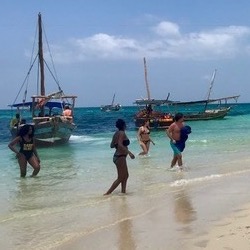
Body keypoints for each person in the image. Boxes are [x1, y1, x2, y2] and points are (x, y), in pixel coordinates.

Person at [104, 119, 135, 195]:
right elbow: (120, 144)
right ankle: (107, 194)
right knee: (120, 177)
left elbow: (112, 145)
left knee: (126, 175)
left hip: (118, 156)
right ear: (124, 125)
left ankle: (123, 192)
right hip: (120, 157)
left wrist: (117, 145)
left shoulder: (116, 133)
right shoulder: (121, 133)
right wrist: (129, 153)